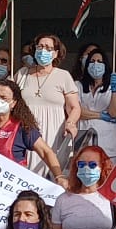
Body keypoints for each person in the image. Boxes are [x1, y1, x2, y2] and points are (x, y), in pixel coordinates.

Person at [0, 79, 63, 179]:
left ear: (13, 103)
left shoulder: (21, 127)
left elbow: (46, 152)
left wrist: (59, 177)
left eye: (3, 98)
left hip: (9, 185)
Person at [18, 33, 81, 162]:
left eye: (48, 48)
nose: (43, 51)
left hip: (54, 132)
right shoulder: (22, 74)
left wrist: (70, 123)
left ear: (56, 53)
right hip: (26, 132)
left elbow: (74, 107)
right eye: (40, 47)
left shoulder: (63, 76)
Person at [72, 45, 116, 160]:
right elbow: (77, 111)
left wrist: (113, 90)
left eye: (99, 61)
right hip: (84, 144)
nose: (95, 64)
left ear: (105, 65)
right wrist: (101, 115)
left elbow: (114, 113)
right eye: (92, 61)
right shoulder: (78, 85)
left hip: (109, 147)